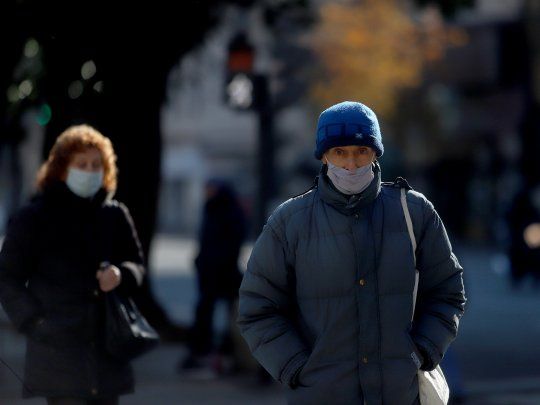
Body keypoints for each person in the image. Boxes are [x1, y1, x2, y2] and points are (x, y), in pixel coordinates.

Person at [237, 101, 466, 404]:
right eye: (339, 152)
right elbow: (258, 308)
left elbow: (447, 292)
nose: (351, 164)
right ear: (324, 156)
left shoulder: (415, 211)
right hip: (321, 395)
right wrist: (295, 368)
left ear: (374, 153)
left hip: (399, 394)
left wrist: (423, 351)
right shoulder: (289, 222)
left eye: (361, 151)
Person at [0, 124, 145, 405]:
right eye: (82, 164)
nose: (90, 171)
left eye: (96, 165)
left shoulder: (114, 215)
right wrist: (35, 322)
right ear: (62, 168)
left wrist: (121, 274)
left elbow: (137, 266)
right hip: (58, 353)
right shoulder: (34, 217)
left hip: (107, 353)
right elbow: (7, 277)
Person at [179, 179, 247, 375]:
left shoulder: (231, 213)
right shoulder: (210, 210)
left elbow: (233, 243)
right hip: (209, 274)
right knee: (204, 313)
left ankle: (230, 353)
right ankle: (201, 351)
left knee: (232, 316)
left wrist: (217, 261)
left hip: (224, 273)